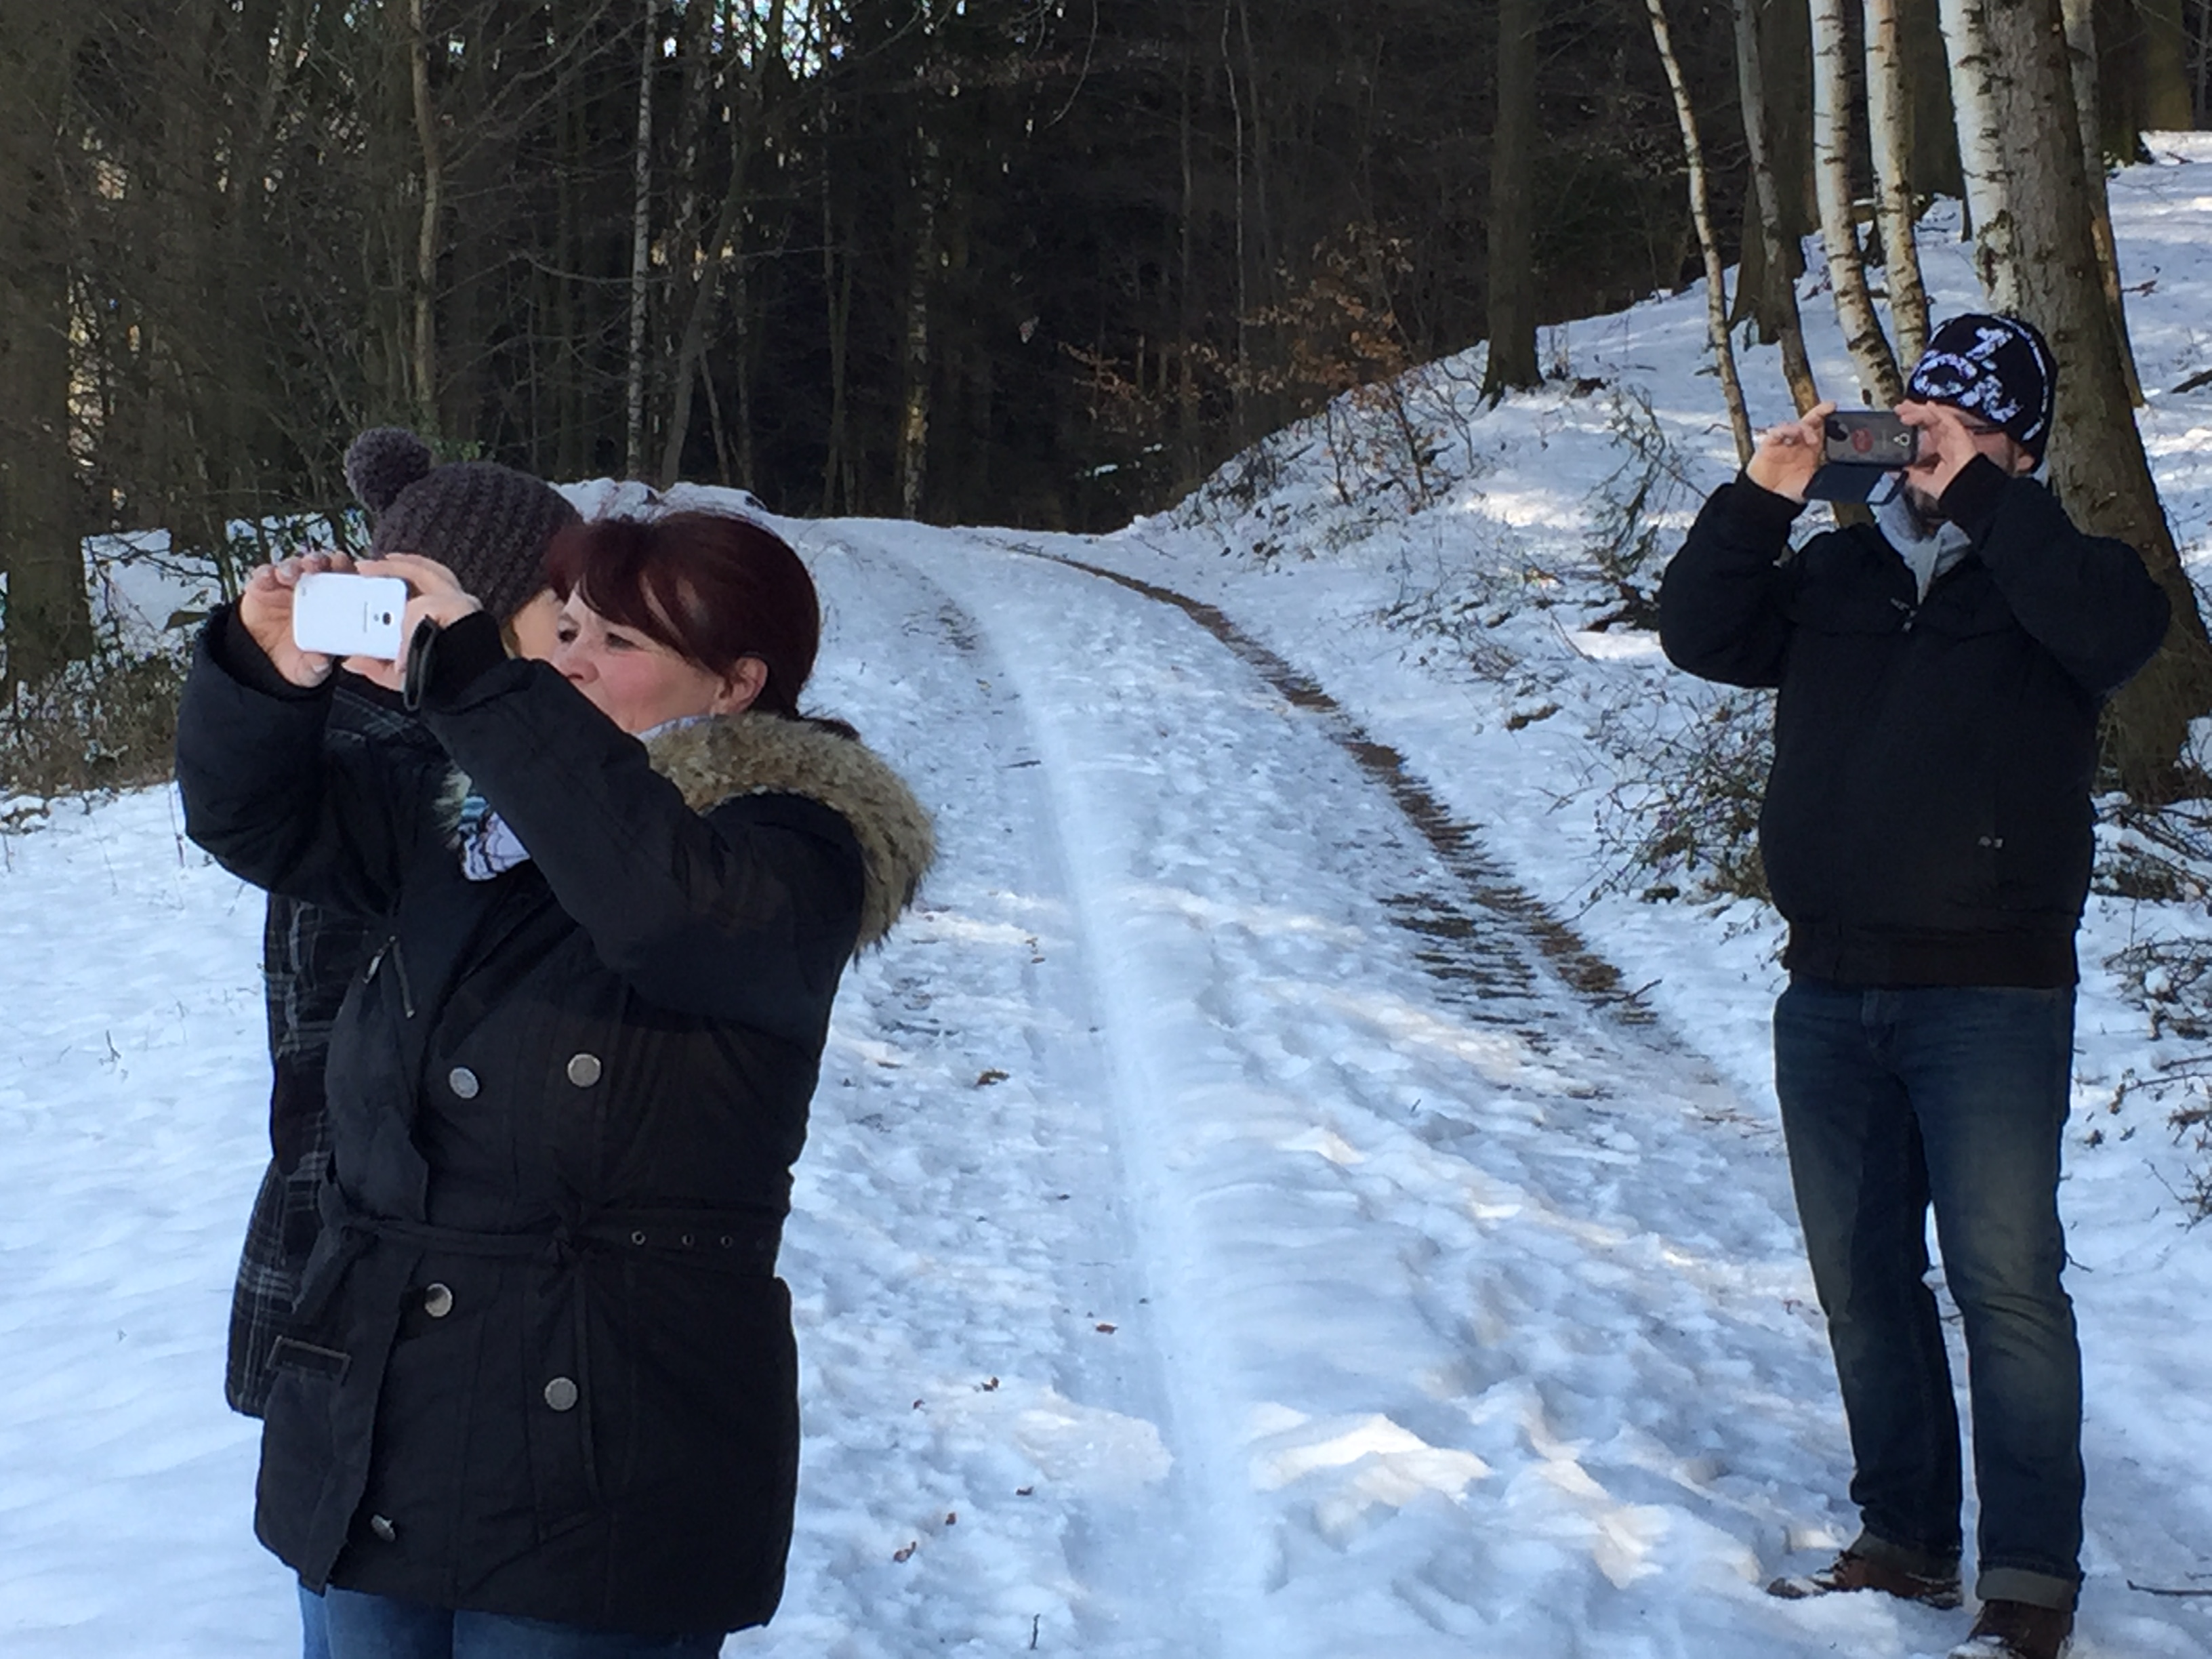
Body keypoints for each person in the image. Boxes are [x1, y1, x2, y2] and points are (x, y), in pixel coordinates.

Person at [176, 507, 933, 1656]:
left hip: (597, 1472)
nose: (573, 659)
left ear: (736, 685)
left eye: (620, 643)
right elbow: (252, 820)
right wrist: (263, 673)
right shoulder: (469, 820)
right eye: (566, 628)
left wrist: (485, 691)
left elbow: (663, 907)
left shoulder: (791, 849)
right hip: (378, 1432)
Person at [1656, 314, 2169, 1659]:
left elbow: (2121, 633)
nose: (1930, 449)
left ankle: (2030, 1586)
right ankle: (1903, 1539)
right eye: (1918, 421)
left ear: (2021, 449)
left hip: (1990, 998)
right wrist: (1765, 494)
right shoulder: (1840, 572)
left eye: (1968, 428)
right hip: (1829, 990)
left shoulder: (2063, 579)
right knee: (1864, 1284)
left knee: (2008, 1287)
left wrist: (1985, 498)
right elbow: (1699, 632)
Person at [226, 430, 579, 1659]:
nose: (578, 640)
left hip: (406, 1260)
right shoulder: (387, 770)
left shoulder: (421, 747)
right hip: (365, 1245)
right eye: (562, 612)